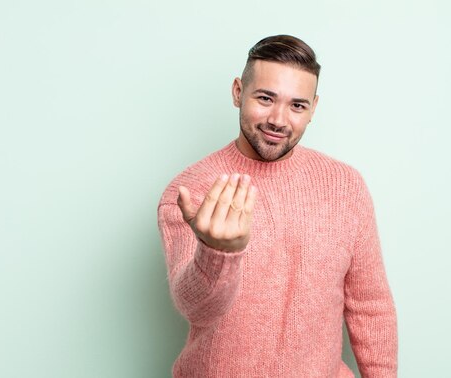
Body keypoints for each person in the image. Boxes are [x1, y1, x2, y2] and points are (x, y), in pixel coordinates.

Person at [157, 34, 397, 377]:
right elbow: (196, 309)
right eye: (266, 98)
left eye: (297, 105)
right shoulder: (191, 191)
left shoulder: (346, 186)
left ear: (313, 109)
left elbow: (370, 306)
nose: (278, 120)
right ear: (238, 92)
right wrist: (218, 253)